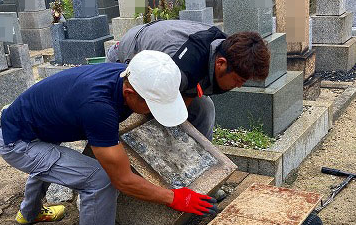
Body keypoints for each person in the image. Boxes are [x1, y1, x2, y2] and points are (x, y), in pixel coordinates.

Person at [0, 50, 217, 225]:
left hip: (34, 127)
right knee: (99, 179)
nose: (154, 112)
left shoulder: (124, 76)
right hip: (17, 144)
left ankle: (29, 213)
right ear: (131, 93)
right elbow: (122, 180)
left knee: (58, 161)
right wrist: (175, 197)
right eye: (152, 106)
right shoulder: (98, 107)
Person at [106, 20, 271, 140]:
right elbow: (167, 102)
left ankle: (202, 162)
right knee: (134, 114)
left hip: (173, 65)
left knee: (204, 109)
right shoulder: (177, 67)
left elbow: (193, 90)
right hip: (128, 59)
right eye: (238, 80)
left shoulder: (227, 49)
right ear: (221, 64)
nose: (240, 86)